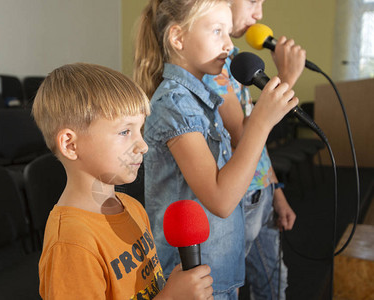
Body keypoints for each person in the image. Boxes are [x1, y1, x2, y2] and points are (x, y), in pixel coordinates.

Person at [133, 0, 299, 299]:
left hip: (215, 268)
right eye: (217, 31)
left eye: (227, 32)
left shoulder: (200, 98)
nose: (227, 44)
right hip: (191, 278)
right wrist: (259, 124)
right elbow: (220, 199)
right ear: (178, 38)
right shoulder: (175, 103)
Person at [34, 63, 214, 299]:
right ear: (70, 145)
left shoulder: (132, 207)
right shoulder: (72, 243)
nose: (143, 145)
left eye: (140, 129)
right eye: (124, 132)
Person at [202, 1, 305, 299]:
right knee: (232, 287)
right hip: (241, 200)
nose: (259, 14)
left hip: (261, 193)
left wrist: (277, 192)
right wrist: (287, 77)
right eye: (252, 1)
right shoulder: (213, 64)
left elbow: (257, 141)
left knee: (274, 284)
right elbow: (243, 136)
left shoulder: (235, 58)